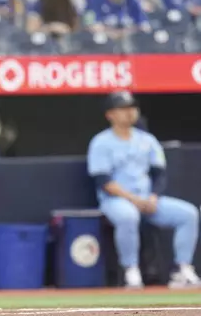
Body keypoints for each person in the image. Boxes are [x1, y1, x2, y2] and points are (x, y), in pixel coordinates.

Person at [87, 91, 201, 289]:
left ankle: (183, 269)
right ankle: (131, 271)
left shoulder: (147, 140)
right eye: (123, 109)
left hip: (148, 200)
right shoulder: (101, 142)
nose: (129, 112)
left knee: (188, 213)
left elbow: (159, 173)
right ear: (110, 114)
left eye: (132, 107)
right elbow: (103, 181)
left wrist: (153, 197)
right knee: (128, 216)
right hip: (116, 201)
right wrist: (134, 199)